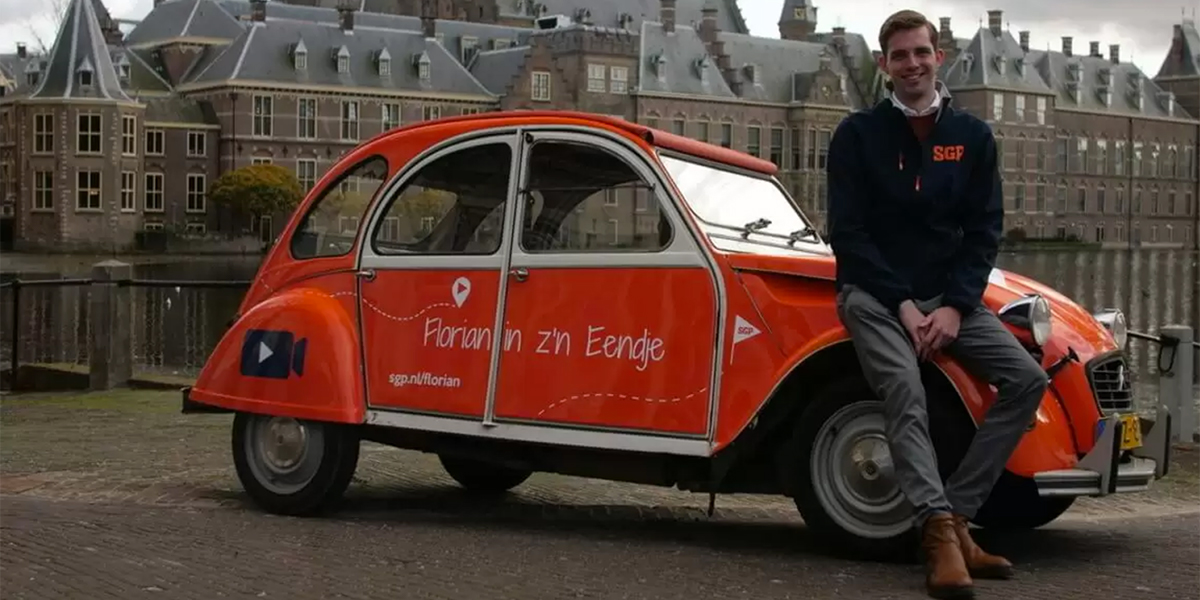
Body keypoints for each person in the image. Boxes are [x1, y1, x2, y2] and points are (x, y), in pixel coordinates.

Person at [826, 9, 1049, 600]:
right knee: (905, 388)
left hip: (948, 297)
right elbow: (848, 235)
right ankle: (938, 537)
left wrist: (954, 307)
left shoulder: (973, 137)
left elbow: (983, 232)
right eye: (899, 56)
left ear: (937, 57)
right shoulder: (856, 135)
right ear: (883, 65)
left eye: (920, 52)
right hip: (874, 297)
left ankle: (955, 517)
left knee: (1026, 380)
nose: (912, 64)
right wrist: (901, 304)